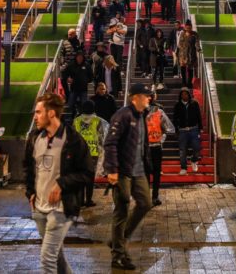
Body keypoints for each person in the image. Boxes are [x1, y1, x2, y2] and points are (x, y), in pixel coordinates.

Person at [24, 93, 93, 274]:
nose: (35, 117)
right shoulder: (34, 139)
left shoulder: (73, 140)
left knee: (47, 258)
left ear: (52, 113)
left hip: (61, 208)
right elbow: (28, 168)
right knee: (57, 256)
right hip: (39, 208)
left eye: (39, 112)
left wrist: (62, 184)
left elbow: (87, 173)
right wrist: (30, 192)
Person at [103, 83, 154, 271]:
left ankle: (118, 239)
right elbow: (110, 144)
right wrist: (112, 169)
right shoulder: (123, 115)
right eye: (146, 96)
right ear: (135, 97)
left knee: (146, 203)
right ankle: (118, 255)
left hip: (138, 170)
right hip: (123, 171)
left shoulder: (142, 116)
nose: (149, 98)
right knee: (121, 210)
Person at [72, 100, 109, 208]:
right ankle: (88, 200)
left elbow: (72, 137)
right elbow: (102, 138)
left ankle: (80, 201)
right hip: (93, 153)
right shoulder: (98, 121)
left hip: (79, 153)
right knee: (89, 178)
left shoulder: (76, 121)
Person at [146, 93, 175, 206]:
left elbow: (167, 128)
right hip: (155, 146)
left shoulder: (143, 112)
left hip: (149, 147)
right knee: (154, 173)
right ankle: (154, 197)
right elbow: (167, 128)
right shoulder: (158, 112)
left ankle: (151, 197)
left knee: (148, 173)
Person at [173, 87, 202, 175]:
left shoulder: (195, 103)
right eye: (182, 94)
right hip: (182, 130)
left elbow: (199, 116)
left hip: (194, 129)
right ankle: (183, 168)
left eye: (186, 93)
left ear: (189, 94)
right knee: (182, 150)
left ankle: (194, 160)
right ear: (180, 95)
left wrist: (200, 128)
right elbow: (175, 118)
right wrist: (176, 129)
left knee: (197, 147)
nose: (184, 95)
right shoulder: (177, 105)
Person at [62, 51, 92, 119]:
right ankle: (70, 118)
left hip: (84, 89)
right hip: (74, 89)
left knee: (84, 105)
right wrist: (68, 78)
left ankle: (83, 118)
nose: (80, 59)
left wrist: (86, 80)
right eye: (78, 57)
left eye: (81, 57)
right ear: (76, 57)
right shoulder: (71, 65)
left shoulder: (87, 65)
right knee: (70, 104)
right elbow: (64, 74)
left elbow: (91, 76)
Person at [176, 20, 200, 90]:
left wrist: (198, 48)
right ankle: (184, 82)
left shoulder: (195, 34)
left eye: (190, 27)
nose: (188, 29)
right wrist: (182, 50)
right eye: (187, 27)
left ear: (191, 27)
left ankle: (189, 82)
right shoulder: (182, 34)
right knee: (183, 68)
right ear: (185, 27)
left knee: (190, 69)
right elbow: (179, 44)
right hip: (182, 54)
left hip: (191, 54)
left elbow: (197, 43)